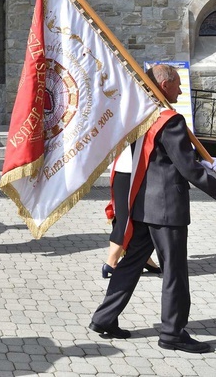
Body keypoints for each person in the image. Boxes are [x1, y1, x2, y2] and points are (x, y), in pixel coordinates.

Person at [89, 64, 216, 354]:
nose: (181, 90)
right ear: (164, 85)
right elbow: (189, 169)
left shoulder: (142, 116)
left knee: (132, 263)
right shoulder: (170, 120)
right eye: (178, 85)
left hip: (143, 204)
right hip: (167, 208)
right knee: (174, 271)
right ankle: (172, 333)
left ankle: (104, 317)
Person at [102, 145, 161, 279]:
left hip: (130, 164)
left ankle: (142, 258)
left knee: (133, 217)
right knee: (127, 219)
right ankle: (112, 261)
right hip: (132, 165)